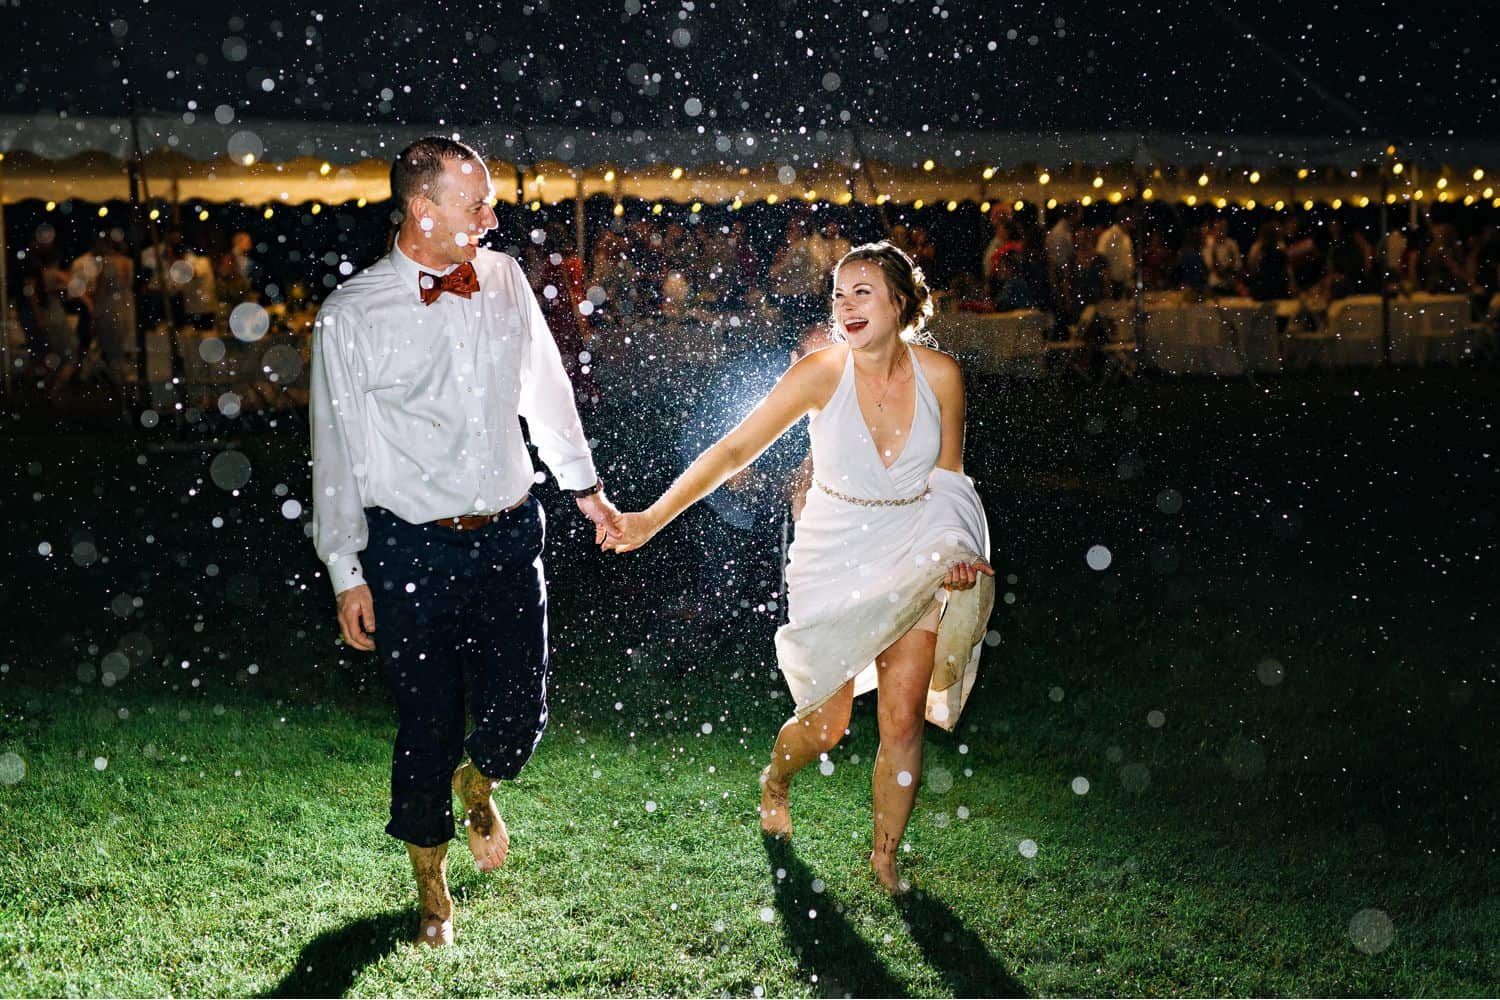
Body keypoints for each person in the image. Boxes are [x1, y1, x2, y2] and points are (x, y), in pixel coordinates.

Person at [604, 242, 995, 894]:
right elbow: (734, 450)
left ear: (901, 302)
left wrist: (955, 548)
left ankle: (885, 859)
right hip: (833, 550)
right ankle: (777, 778)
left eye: (862, 292)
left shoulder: (942, 377)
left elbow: (949, 477)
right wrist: (651, 518)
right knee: (826, 725)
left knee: (902, 717)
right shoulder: (820, 372)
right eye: (838, 294)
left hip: (913, 545)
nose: (845, 306)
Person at [308, 136, 620, 948]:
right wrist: (345, 568)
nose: (492, 216)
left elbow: (547, 392)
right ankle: (431, 891)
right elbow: (335, 448)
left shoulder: (506, 278)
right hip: (411, 553)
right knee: (428, 723)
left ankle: (478, 781)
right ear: (423, 208)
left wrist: (584, 489)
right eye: (475, 202)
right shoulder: (351, 315)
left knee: (521, 714)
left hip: (512, 537)